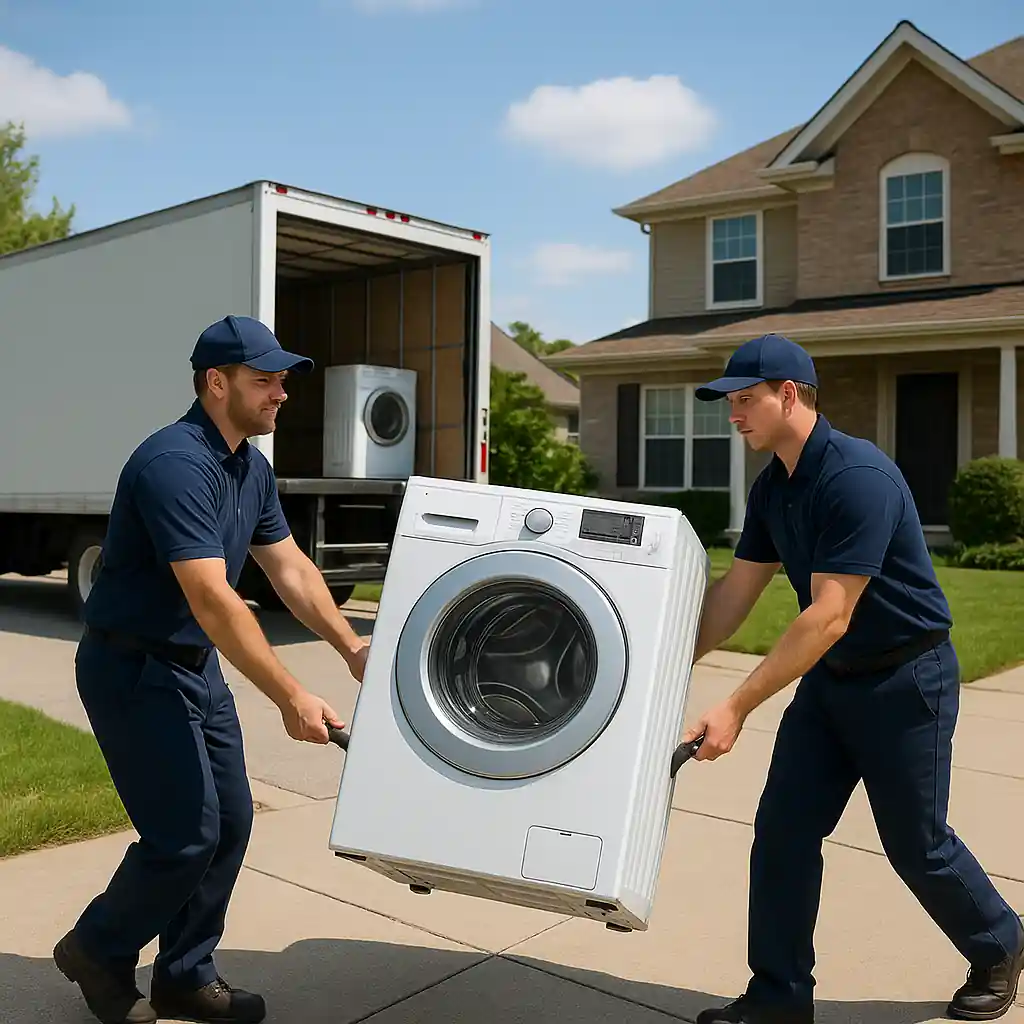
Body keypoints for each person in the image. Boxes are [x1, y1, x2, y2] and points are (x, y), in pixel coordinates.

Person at [681, 333, 1024, 1024]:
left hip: (907, 680)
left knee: (917, 845)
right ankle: (779, 999)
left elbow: (829, 615)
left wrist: (738, 705)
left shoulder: (856, 477)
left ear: (788, 395)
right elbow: (735, 593)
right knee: (783, 832)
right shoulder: (773, 486)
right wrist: (664, 666)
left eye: (745, 399)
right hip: (831, 685)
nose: (734, 414)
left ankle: (1000, 944)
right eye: (730, 402)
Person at [53, 315, 371, 1024]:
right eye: (264, 381)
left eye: (282, 381)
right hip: (133, 668)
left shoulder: (249, 467)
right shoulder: (173, 464)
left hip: (194, 669)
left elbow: (288, 568)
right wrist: (289, 693)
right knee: (184, 834)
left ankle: (184, 975)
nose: (280, 394)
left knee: (228, 824)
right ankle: (96, 948)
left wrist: (351, 646)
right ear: (215, 383)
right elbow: (214, 599)